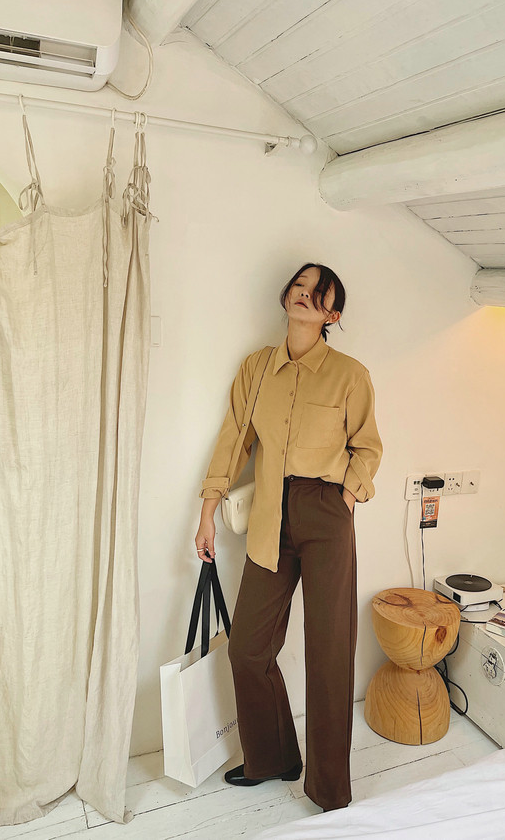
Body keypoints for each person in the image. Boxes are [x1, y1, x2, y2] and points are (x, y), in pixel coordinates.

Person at [194, 263, 382, 812]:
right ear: (286, 296)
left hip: (326, 513)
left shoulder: (350, 375)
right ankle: (273, 758)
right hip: (269, 514)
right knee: (248, 648)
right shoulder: (256, 369)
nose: (305, 295)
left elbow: (368, 448)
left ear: (332, 315)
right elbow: (234, 441)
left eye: (318, 293)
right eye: (299, 286)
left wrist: (347, 496)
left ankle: (329, 790)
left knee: (329, 653)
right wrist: (207, 511)